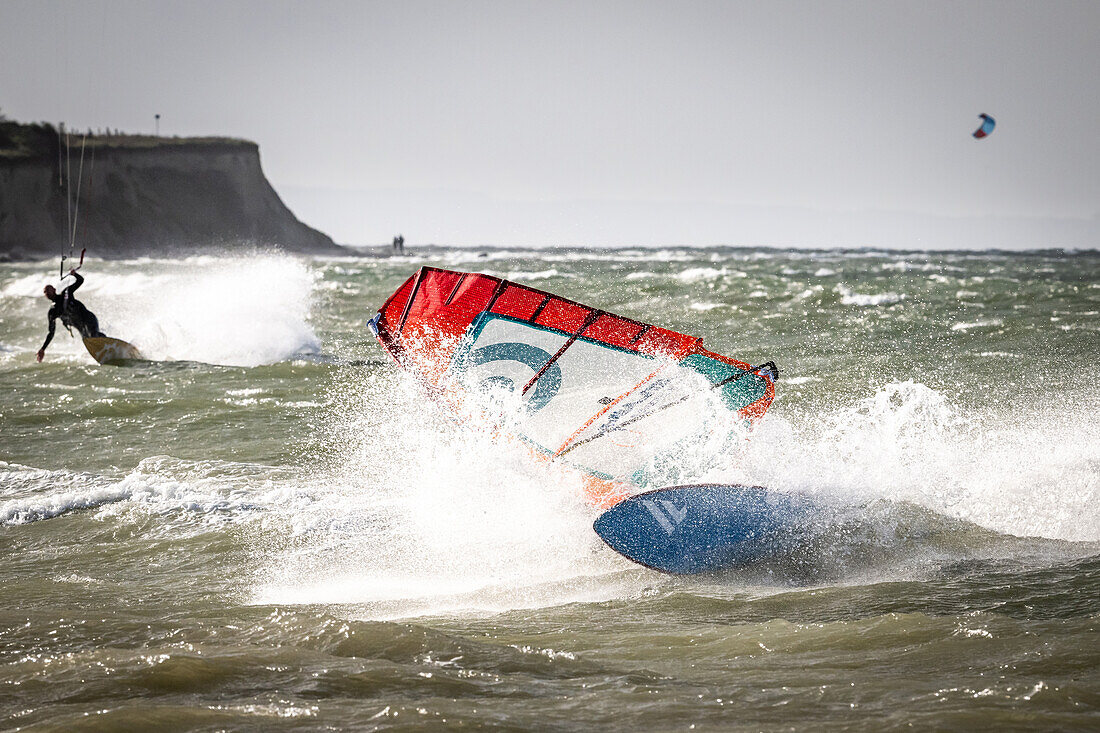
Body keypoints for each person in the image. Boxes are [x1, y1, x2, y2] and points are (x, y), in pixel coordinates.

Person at [36, 269, 105, 362]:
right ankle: (103, 355)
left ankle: (109, 344)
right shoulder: (52, 312)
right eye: (45, 291)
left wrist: (74, 274)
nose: (47, 292)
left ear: (54, 290)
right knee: (89, 342)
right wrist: (43, 349)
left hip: (88, 318)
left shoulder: (66, 293)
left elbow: (80, 280)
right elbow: (51, 332)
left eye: (48, 289)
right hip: (80, 327)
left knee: (94, 335)